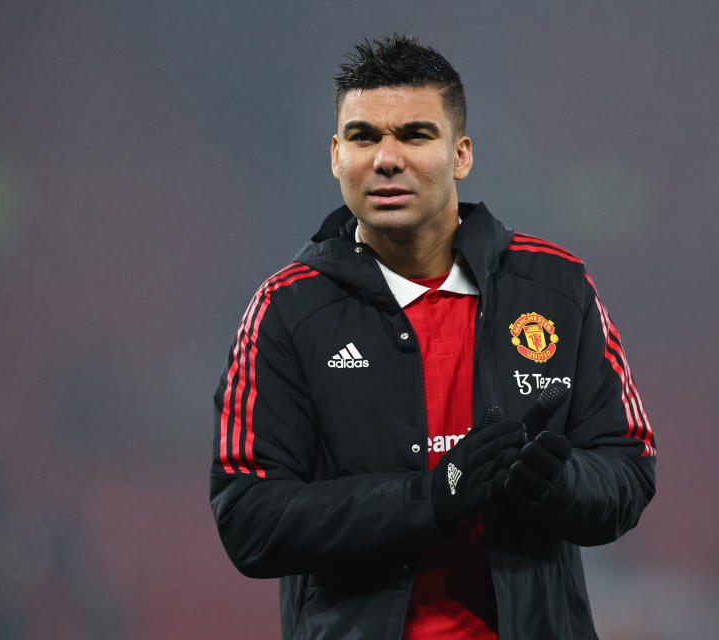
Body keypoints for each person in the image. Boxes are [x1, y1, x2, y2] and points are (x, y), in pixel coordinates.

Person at [210, 34, 656, 639]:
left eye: (415, 135)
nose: (386, 159)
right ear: (336, 155)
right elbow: (248, 519)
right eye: (365, 137)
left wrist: (559, 483)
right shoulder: (286, 311)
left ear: (462, 154)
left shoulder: (555, 288)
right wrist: (433, 495)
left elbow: (628, 471)